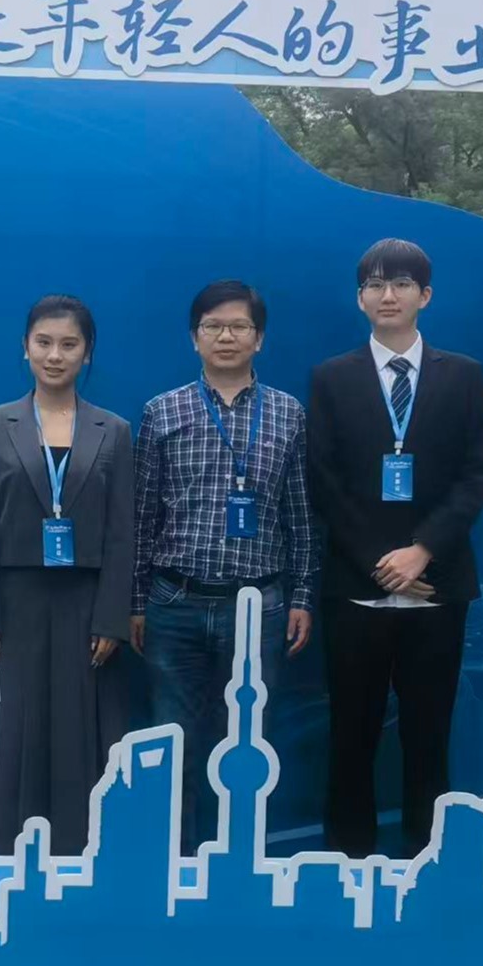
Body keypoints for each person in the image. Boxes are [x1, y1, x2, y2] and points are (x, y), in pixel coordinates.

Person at [306, 238, 483, 860]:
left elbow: (476, 474)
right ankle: (346, 865)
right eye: (375, 285)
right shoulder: (332, 378)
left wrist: (421, 551)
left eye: (402, 284)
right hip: (355, 590)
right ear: (359, 298)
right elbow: (324, 480)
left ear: (425, 296)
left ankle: (426, 863)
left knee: (429, 736)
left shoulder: (463, 376)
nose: (388, 295)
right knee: (350, 736)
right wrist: (380, 564)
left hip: (437, 587)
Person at [132, 280, 316, 852]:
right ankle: (175, 863)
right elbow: (142, 516)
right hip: (174, 605)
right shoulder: (162, 411)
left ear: (259, 339)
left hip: (258, 608)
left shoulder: (288, 414)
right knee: (173, 744)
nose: (226, 336)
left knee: (247, 745)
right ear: (195, 338)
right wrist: (136, 602)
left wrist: (303, 597)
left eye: (239, 326)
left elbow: (300, 515)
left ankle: (233, 862)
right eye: (213, 326)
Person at [0, 296, 132, 856]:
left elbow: (121, 533)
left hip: (86, 602)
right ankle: (5, 855)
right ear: (26, 348)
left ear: (87, 353)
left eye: (68, 344)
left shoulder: (113, 430)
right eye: (44, 343)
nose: (55, 355)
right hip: (15, 602)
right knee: (15, 729)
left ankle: (79, 853)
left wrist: (111, 617)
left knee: (79, 731)